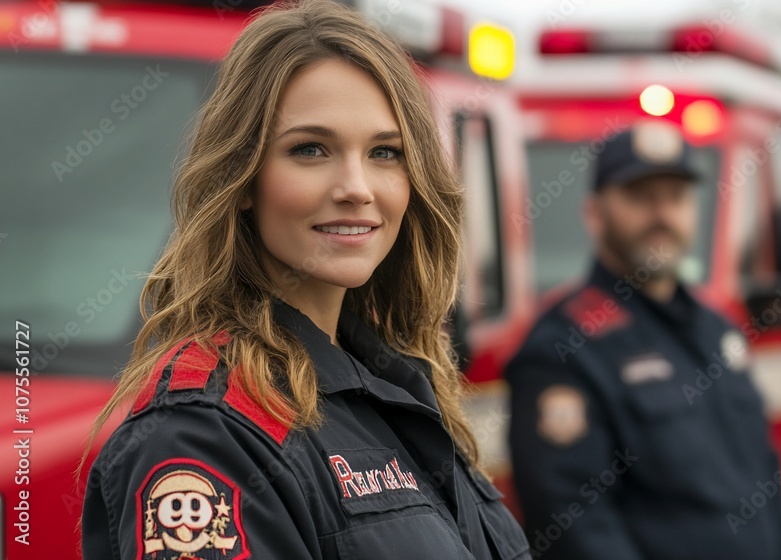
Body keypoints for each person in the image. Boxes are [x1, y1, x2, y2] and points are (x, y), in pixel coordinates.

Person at [79, 1, 530, 558]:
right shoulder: (203, 436)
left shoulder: (399, 388)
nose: (357, 187)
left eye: (385, 152)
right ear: (241, 178)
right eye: (310, 149)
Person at [505, 120, 781, 560]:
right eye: (641, 197)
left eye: (676, 197)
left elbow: (764, 480)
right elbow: (577, 522)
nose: (662, 214)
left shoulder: (717, 329)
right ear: (594, 213)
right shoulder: (562, 347)